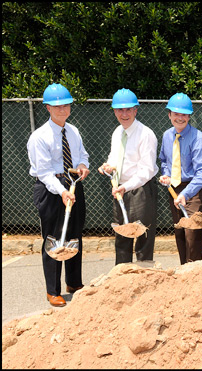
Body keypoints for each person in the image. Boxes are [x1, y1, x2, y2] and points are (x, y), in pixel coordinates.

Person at [27, 83, 90, 307]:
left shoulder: (73, 131)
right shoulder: (39, 137)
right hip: (51, 189)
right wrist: (62, 191)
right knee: (54, 238)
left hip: (73, 183)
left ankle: (74, 283)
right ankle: (52, 290)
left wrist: (82, 165)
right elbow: (44, 173)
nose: (62, 110)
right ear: (47, 108)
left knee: (74, 235)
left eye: (65, 105)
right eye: (57, 106)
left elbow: (82, 154)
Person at [98, 88, 159, 265]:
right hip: (120, 189)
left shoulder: (146, 134)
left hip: (141, 190)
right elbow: (114, 157)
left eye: (128, 109)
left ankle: (144, 279)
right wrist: (109, 166)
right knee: (122, 237)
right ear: (115, 111)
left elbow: (146, 170)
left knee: (143, 238)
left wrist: (126, 186)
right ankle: (121, 279)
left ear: (135, 110)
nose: (124, 114)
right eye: (120, 110)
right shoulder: (117, 132)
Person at [158, 93, 202, 264]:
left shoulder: (198, 138)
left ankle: (194, 274)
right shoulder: (167, 135)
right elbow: (164, 160)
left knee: (193, 234)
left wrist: (186, 194)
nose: (180, 118)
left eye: (184, 114)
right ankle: (183, 271)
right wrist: (166, 174)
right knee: (180, 231)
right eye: (176, 114)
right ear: (169, 115)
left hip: (194, 190)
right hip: (174, 188)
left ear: (189, 116)